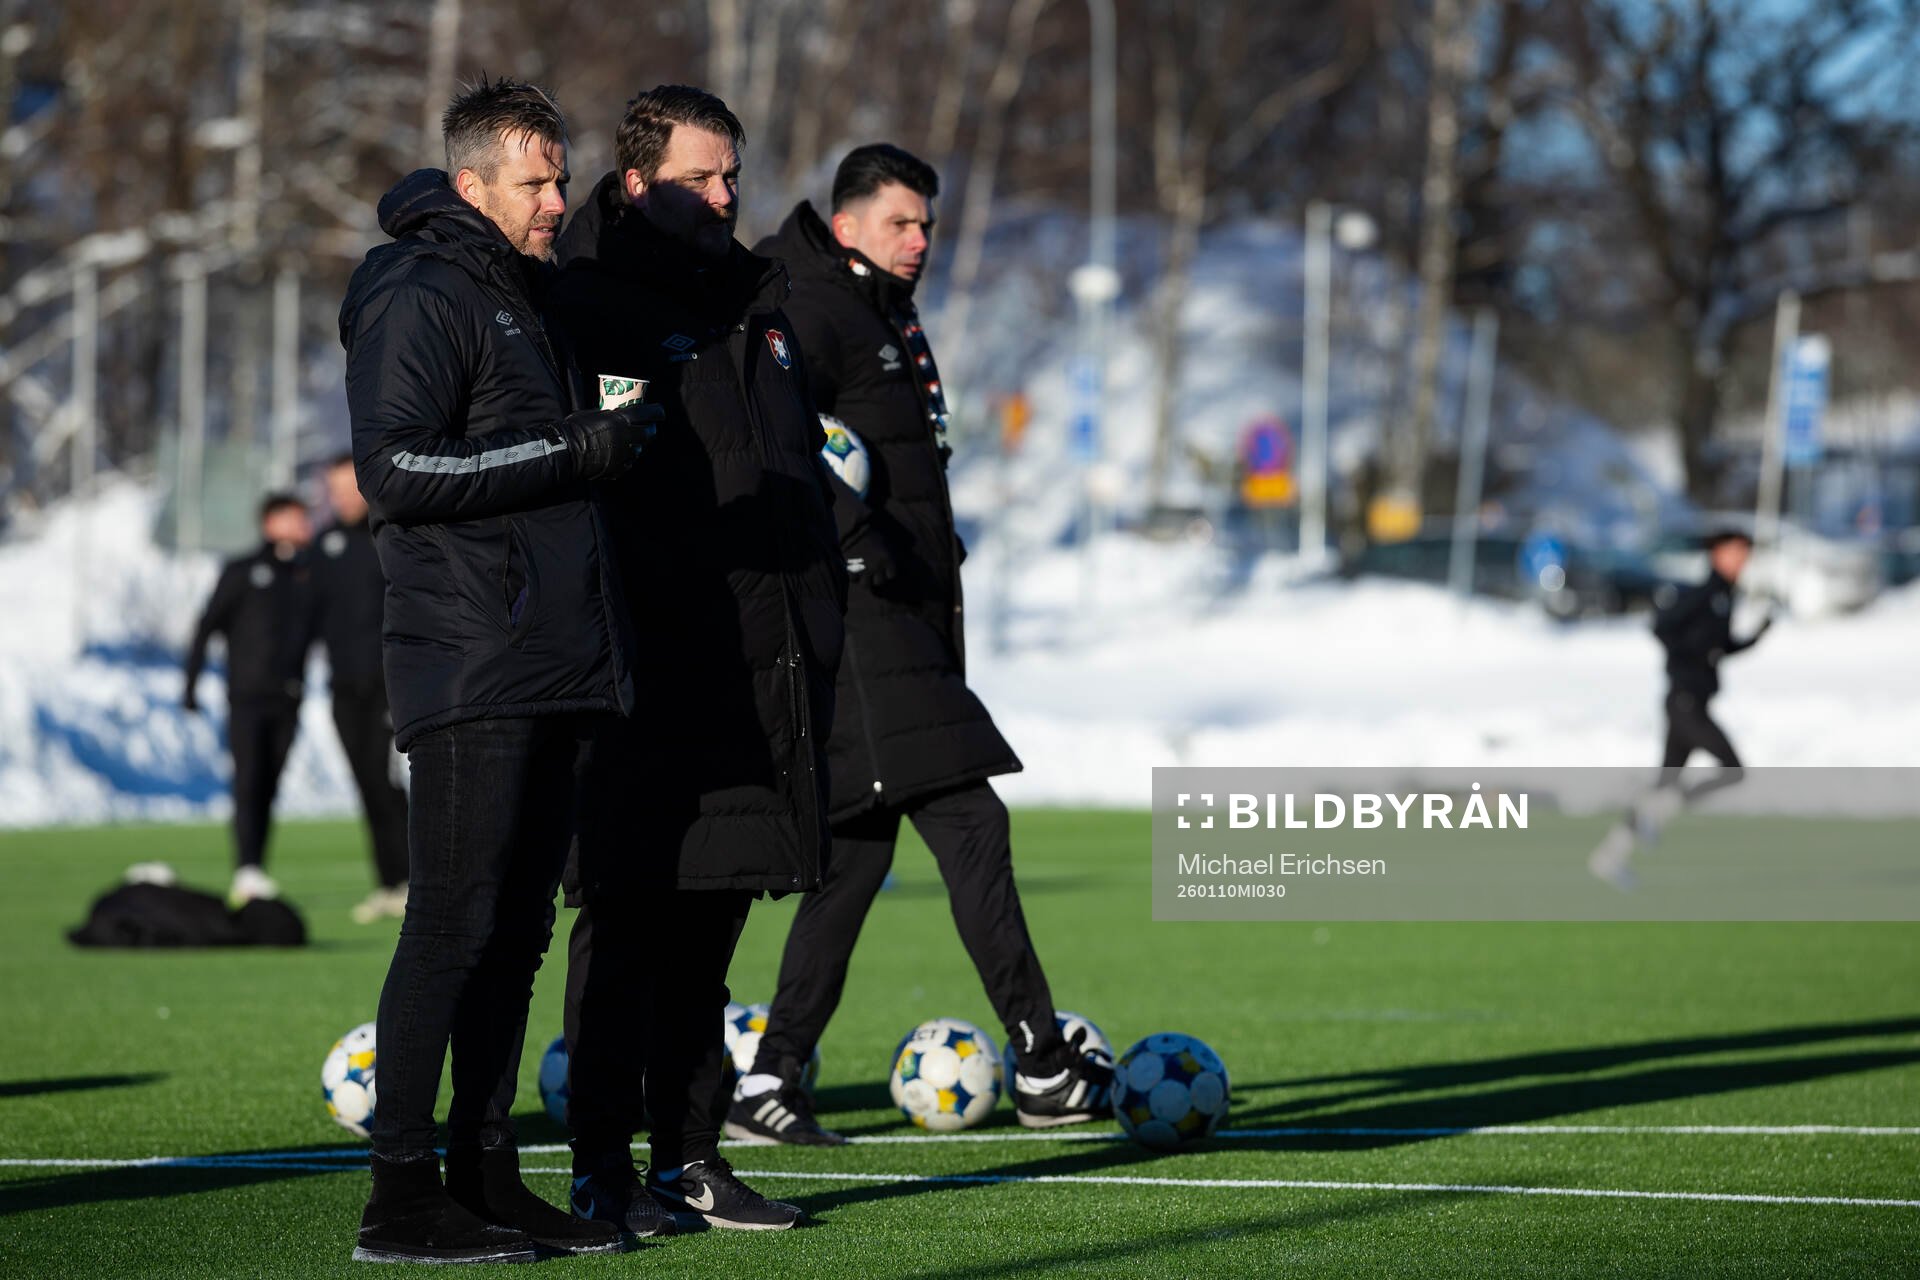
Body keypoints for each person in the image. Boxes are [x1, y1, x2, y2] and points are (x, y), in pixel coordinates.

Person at [338, 75, 661, 1265]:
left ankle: (485, 1168)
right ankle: (400, 1193)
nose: (556, 199)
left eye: (562, 176)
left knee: (517, 927)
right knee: (452, 923)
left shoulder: (531, 296)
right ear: (472, 184)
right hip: (471, 657)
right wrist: (581, 446)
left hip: (552, 655)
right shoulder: (419, 287)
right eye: (535, 180)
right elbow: (399, 470)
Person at [736, 143, 1111, 1146]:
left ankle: (767, 1078)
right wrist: (861, 545)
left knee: (852, 863)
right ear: (848, 221)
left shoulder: (871, 307)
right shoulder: (813, 305)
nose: (920, 240)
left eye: (928, 225)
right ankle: (1041, 1061)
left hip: (899, 626)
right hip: (863, 628)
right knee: (972, 822)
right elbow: (768, 422)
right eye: (902, 222)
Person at [549, 83, 844, 1235]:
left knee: (712, 932)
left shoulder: (755, 304)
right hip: (646, 668)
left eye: (732, 176)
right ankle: (598, 1165)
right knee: (626, 925)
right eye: (699, 179)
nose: (726, 198)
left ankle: (691, 1157)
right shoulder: (588, 305)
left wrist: (815, 619)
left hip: (760, 670)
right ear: (635, 182)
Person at [1590, 528, 1772, 888]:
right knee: (1732, 769)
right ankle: (1658, 815)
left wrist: (1757, 634)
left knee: (1665, 782)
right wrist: (1687, 660)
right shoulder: (1703, 593)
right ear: (1717, 553)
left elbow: (1720, 647)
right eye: (1736, 551)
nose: (1742, 559)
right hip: (1685, 703)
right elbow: (1662, 627)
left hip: (1692, 701)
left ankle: (1609, 856)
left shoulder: (1726, 597)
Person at [182, 491, 317, 908]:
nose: (304, 526)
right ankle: (247, 868)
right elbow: (207, 625)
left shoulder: (307, 574)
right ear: (271, 522)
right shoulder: (243, 571)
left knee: (270, 785)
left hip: (289, 698)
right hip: (246, 699)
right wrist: (190, 684)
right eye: (296, 518)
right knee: (248, 780)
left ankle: (257, 865)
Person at [311, 453, 410, 924]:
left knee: (392, 785)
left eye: (346, 486)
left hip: (391, 685)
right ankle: (390, 883)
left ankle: (418, 880)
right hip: (343, 690)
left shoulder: (392, 534)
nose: (339, 496)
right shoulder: (323, 546)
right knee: (368, 785)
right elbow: (299, 619)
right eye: (331, 488)